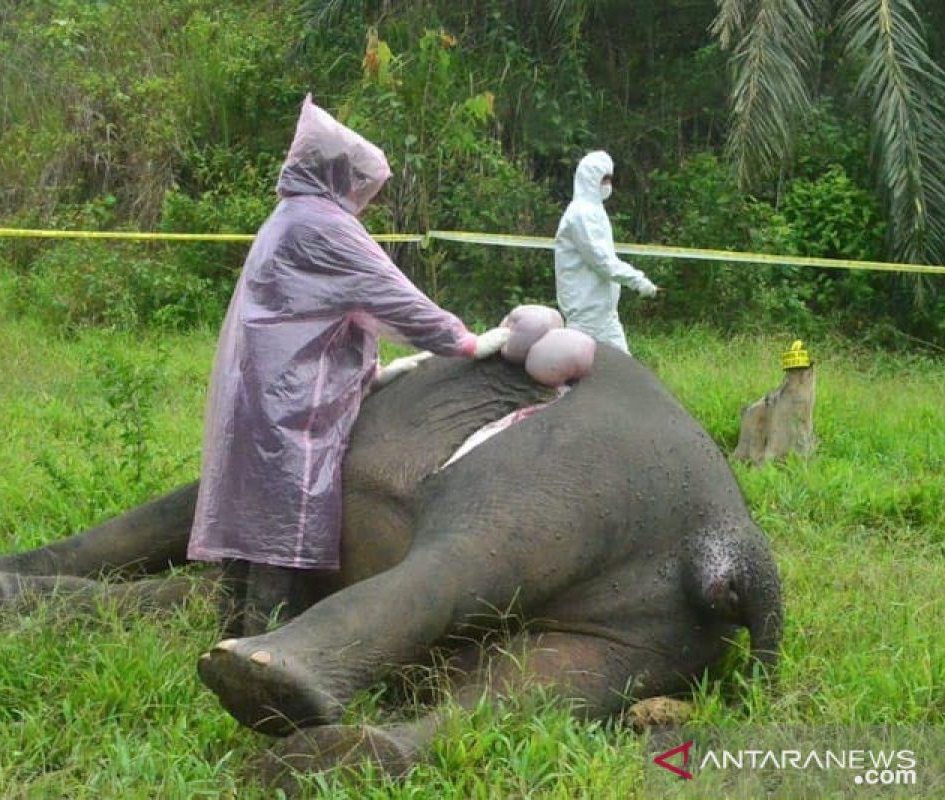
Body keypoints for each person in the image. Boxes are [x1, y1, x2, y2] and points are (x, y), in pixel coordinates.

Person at [187, 96, 509, 633]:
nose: (363, 196)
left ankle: (230, 631)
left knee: (252, 517)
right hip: (290, 397)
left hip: (263, 388)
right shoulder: (324, 226)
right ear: (339, 174)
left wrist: (373, 372)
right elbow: (390, 295)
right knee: (278, 523)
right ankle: (264, 645)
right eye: (361, 183)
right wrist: (465, 341)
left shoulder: (290, 215)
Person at [553, 150, 656, 354]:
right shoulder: (580, 214)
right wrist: (637, 280)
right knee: (580, 373)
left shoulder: (595, 211)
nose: (608, 185)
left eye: (610, 179)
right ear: (591, 178)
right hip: (586, 315)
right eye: (604, 179)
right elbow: (602, 261)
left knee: (624, 371)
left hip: (604, 314)